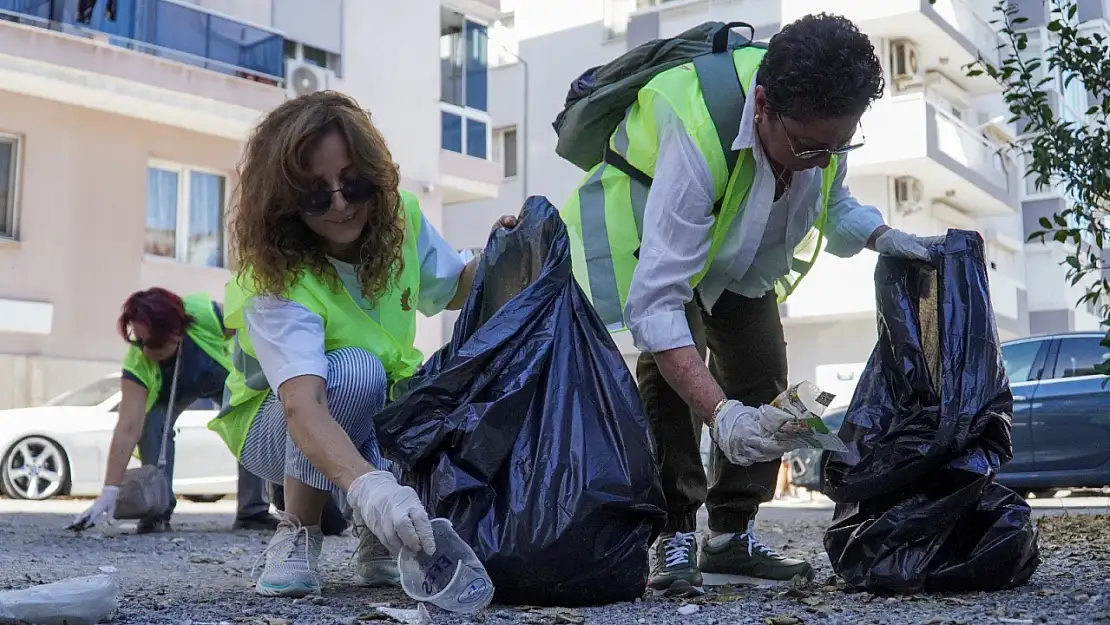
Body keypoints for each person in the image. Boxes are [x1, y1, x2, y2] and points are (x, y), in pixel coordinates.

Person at [560, 13, 944, 596]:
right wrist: (722, 414)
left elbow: (833, 205)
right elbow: (659, 304)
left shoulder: (821, 123)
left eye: (839, 146)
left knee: (764, 371)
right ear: (762, 104)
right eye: (811, 147)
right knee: (671, 383)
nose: (824, 159)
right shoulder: (697, 124)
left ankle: (731, 536)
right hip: (653, 238)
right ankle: (677, 531)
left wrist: (879, 235)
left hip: (738, 251)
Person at [212, 90, 515, 598]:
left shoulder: (400, 221)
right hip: (273, 426)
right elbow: (300, 405)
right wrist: (371, 488)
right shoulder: (275, 279)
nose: (341, 204)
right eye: (316, 194)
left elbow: (454, 286)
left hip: (373, 404)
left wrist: (502, 254)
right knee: (356, 371)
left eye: (353, 183)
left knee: (422, 392)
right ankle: (298, 531)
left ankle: (379, 541)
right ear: (286, 204)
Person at [70, 289, 279, 534]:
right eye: (139, 341)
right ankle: (157, 510)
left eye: (154, 342)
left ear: (176, 332)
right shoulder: (138, 362)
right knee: (152, 425)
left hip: (221, 377)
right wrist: (109, 493)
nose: (146, 350)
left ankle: (252, 513)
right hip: (168, 396)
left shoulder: (205, 316)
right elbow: (127, 428)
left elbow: (254, 324)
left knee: (250, 419)